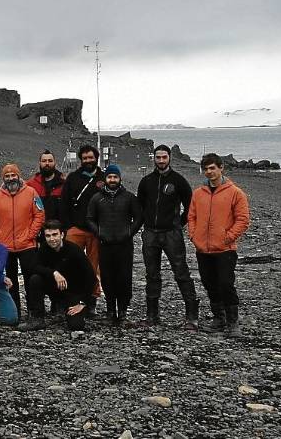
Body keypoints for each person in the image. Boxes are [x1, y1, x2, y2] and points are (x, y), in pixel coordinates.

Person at [188, 153, 250, 338]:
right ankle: (219, 318)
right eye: (206, 169)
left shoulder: (235, 193)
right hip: (203, 249)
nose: (209, 172)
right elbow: (191, 216)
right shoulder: (198, 193)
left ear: (221, 168)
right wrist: (194, 236)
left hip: (225, 250)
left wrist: (228, 237)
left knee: (225, 284)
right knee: (209, 283)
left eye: (212, 168)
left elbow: (243, 219)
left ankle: (233, 322)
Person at [136, 144, 198, 329]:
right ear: (153, 159)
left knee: (181, 272)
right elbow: (140, 206)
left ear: (169, 158)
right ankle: (152, 316)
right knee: (152, 274)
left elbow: (190, 206)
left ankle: (192, 317)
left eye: (164, 157)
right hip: (150, 234)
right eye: (158, 157)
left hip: (172, 233)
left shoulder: (179, 181)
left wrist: (179, 223)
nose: (161, 160)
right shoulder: (146, 181)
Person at [87, 164, 143, 326]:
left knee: (124, 278)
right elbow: (89, 218)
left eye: (115, 177)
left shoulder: (129, 197)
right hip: (105, 244)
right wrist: (98, 233)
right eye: (110, 177)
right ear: (105, 179)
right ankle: (111, 311)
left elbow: (139, 217)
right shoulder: (97, 198)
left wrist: (129, 232)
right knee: (107, 278)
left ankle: (123, 312)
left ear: (120, 179)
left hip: (124, 245)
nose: (112, 180)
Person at [0, 163, 45, 316]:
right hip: (5, 247)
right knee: (10, 280)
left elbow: (39, 215)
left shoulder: (31, 193)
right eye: (7, 176)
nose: (11, 178)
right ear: (3, 178)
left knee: (31, 279)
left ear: (18, 176)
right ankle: (15, 311)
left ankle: (34, 311)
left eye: (13, 175)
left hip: (27, 245)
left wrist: (30, 235)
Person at [19, 221, 97, 332]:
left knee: (76, 326)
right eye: (48, 236)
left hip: (74, 292)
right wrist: (54, 273)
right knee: (35, 279)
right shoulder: (45, 248)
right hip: (55, 288)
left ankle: (66, 309)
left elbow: (91, 277)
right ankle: (37, 318)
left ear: (62, 235)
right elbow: (34, 266)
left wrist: (83, 303)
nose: (52, 239)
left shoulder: (74, 250)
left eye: (55, 234)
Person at [60, 145, 106, 315]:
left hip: (96, 231)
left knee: (93, 267)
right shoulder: (73, 178)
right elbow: (64, 203)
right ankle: (71, 298)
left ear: (97, 158)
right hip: (76, 229)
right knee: (70, 264)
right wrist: (67, 226)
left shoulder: (104, 177)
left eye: (91, 158)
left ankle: (90, 300)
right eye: (85, 158)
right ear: (81, 159)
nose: (88, 161)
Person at [26, 150, 66, 223]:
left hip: (57, 231)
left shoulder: (64, 184)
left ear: (55, 163)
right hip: (38, 229)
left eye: (50, 161)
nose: (47, 163)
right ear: (40, 163)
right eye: (44, 161)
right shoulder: (31, 184)